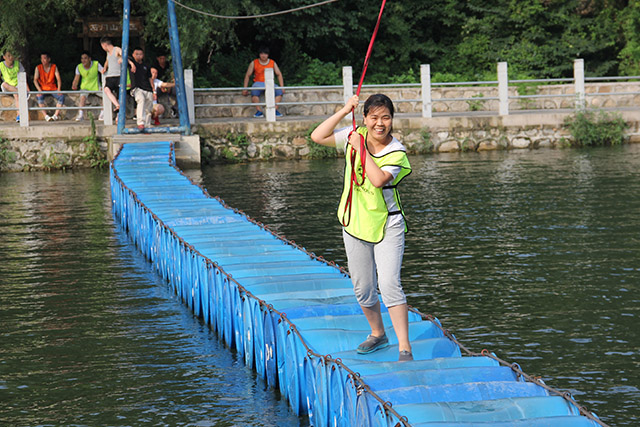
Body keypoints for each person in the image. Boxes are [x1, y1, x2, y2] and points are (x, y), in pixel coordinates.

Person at [311, 94, 413, 361]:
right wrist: (345, 110)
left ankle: (404, 349)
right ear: (365, 118)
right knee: (363, 287)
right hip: (354, 222)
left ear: (392, 120)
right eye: (374, 118)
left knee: (389, 283)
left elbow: (378, 180)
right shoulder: (354, 133)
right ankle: (378, 333)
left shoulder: (397, 151)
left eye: (386, 118)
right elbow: (318, 136)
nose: (380, 124)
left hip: (387, 224)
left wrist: (361, 148)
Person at [242, 47, 284, 118]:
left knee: (279, 92)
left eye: (265, 54)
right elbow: (247, 75)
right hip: (258, 82)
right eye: (261, 53)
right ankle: (259, 111)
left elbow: (279, 74)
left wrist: (282, 87)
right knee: (254, 91)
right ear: (259, 54)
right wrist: (245, 88)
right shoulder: (254, 63)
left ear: (268, 55)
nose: (263, 55)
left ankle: (274, 110)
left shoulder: (272, 62)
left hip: (270, 83)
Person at [100, 36, 134, 114]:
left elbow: (124, 57)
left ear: (104, 44)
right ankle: (117, 105)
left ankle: (119, 115)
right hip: (110, 76)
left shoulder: (117, 49)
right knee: (106, 89)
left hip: (119, 76)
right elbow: (107, 60)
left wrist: (131, 63)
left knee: (120, 95)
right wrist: (105, 68)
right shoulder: (108, 53)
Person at [71, 51, 103, 121]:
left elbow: (103, 72)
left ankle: (102, 114)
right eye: (82, 58)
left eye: (85, 58)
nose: (83, 60)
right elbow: (76, 78)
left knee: (105, 95)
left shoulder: (96, 64)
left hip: (96, 86)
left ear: (89, 59)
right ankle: (81, 115)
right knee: (82, 98)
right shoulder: (79, 67)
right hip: (85, 87)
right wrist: (74, 85)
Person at [33, 52, 64, 121]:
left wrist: (59, 89)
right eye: (41, 59)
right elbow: (35, 80)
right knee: (39, 97)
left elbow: (58, 79)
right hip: (43, 88)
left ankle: (55, 115)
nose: (43, 60)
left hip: (52, 88)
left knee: (61, 97)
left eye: (44, 58)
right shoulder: (38, 68)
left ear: (49, 59)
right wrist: (39, 90)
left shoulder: (54, 67)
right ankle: (46, 116)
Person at [130, 47, 155, 129]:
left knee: (148, 107)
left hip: (147, 88)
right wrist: (131, 64)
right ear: (133, 55)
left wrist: (153, 89)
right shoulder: (131, 63)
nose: (138, 56)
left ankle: (147, 124)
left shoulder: (146, 65)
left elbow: (150, 77)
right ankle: (140, 122)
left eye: (140, 54)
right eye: (136, 54)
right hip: (136, 88)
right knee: (141, 100)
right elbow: (122, 58)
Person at [0, 50, 26, 122]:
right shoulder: (1, 65)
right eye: (8, 56)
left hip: (17, 86)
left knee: (16, 95)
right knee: (4, 84)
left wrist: (27, 89)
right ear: (4, 57)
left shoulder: (18, 64)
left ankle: (19, 115)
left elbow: (23, 77)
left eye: (12, 55)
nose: (10, 57)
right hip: (7, 87)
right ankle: (20, 92)